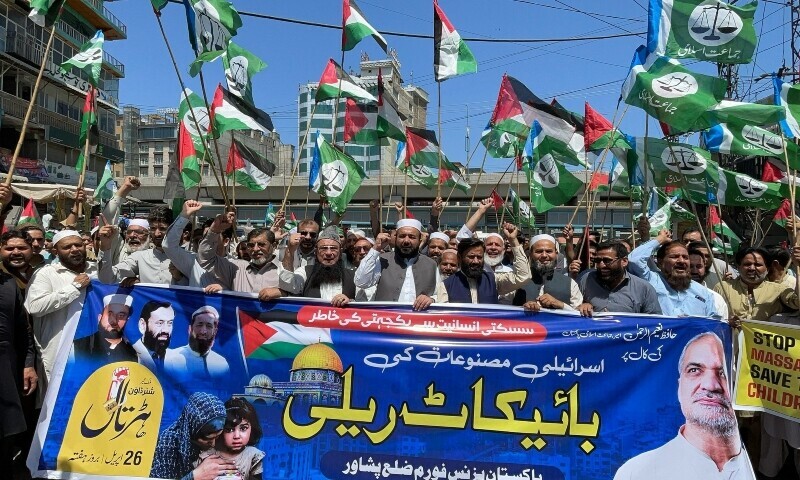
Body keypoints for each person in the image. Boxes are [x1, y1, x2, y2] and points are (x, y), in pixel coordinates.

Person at [614, 332, 753, 480]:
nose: (711, 385)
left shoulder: (750, 464)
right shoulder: (636, 473)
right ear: (679, 388)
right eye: (695, 370)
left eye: (722, 373)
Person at [24, 230, 97, 401]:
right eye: (67, 247)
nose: (74, 249)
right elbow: (35, 306)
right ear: (55, 251)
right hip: (58, 351)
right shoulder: (45, 274)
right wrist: (74, 288)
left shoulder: (96, 271)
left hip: (91, 349)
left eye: (78, 245)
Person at [628, 230, 718, 317]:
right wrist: (660, 239)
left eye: (685, 257)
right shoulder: (651, 281)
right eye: (674, 257)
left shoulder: (703, 293)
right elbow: (635, 260)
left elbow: (714, 323)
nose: (681, 261)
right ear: (660, 262)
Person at [197, 210, 284, 301]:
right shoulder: (236, 268)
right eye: (250, 245)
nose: (255, 249)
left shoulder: (284, 271)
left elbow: (298, 292)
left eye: (261, 245)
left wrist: (282, 293)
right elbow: (206, 259)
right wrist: (214, 230)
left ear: (273, 246)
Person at [355, 218, 437, 311]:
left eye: (412, 237)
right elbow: (361, 282)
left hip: (418, 322)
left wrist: (432, 299)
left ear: (420, 239)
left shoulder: (431, 264)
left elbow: (441, 295)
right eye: (402, 236)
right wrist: (375, 249)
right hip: (387, 321)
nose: (406, 241)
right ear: (395, 238)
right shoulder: (383, 260)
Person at [150, 392, 235, 480]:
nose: (213, 444)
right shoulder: (168, 442)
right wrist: (196, 475)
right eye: (208, 439)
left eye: (217, 437)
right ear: (193, 430)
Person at [437, 223, 530, 304]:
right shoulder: (446, 285)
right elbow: (444, 317)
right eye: (471, 257)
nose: (476, 261)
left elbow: (523, 276)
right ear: (459, 258)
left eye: (479, 257)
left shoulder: (494, 280)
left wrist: (513, 240)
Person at [0, 265, 35, 475]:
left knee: (6, 434)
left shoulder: (8, 284)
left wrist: (28, 364)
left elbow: (23, 330)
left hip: (5, 367)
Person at [714, 246, 800, 324]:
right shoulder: (722, 288)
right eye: (747, 264)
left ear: (768, 268)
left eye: (757, 265)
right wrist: (727, 322)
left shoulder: (779, 289)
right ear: (738, 266)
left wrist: (799, 266)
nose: (752, 268)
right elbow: (711, 317)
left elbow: (797, 303)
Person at [577, 240, 662, 317]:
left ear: (624, 261)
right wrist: (582, 305)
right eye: (598, 261)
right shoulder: (586, 279)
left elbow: (654, 323)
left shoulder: (644, 289)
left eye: (607, 261)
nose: (601, 265)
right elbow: (570, 308)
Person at [97, 207, 176, 286]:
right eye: (153, 228)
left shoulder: (183, 256)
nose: (156, 234)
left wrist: (180, 278)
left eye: (162, 229)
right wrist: (105, 244)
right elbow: (106, 278)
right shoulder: (139, 257)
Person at [280, 226, 356, 306]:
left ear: (340, 252)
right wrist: (290, 250)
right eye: (323, 248)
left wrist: (350, 302)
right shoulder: (305, 272)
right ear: (316, 252)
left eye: (333, 248)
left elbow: (365, 302)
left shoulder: (353, 276)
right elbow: (287, 284)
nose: (329, 253)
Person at [195, 397, 265, 480]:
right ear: (220, 431)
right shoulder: (207, 456)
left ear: (252, 429)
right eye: (229, 430)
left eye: (243, 429)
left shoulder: (253, 456)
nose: (237, 436)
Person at [516, 234, 581, 311]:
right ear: (530, 254)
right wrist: (522, 309)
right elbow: (503, 308)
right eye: (539, 251)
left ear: (556, 254)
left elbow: (578, 315)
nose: (544, 255)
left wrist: (560, 304)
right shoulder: (517, 280)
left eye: (549, 251)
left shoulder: (570, 283)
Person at [168, 306, 230, 381]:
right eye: (199, 325)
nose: (203, 331)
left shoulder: (222, 364)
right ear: (190, 329)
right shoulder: (171, 359)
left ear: (215, 332)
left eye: (209, 326)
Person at [73, 293, 137, 362]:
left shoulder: (134, 351)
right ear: (100, 318)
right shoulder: (78, 346)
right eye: (110, 314)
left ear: (127, 320)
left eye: (121, 316)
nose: (114, 321)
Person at [131, 300, 180, 373]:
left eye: (169, 323)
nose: (166, 330)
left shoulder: (178, 359)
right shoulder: (129, 353)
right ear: (142, 325)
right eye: (160, 323)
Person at [688, 248, 729, 321]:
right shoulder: (672, 296)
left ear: (705, 267)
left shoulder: (716, 299)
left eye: (699, 266)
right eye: (690, 266)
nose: (694, 271)